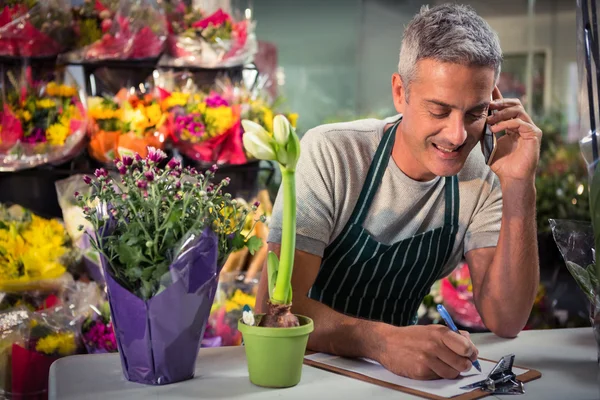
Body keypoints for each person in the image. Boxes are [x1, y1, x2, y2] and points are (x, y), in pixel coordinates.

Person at [256, 3, 541, 380]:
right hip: (302, 373)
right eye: (439, 111)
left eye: (475, 113)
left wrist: (520, 186)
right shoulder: (334, 154)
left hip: (397, 379)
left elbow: (506, 319)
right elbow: (274, 311)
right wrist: (380, 341)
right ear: (400, 93)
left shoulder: (482, 177)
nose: (457, 135)